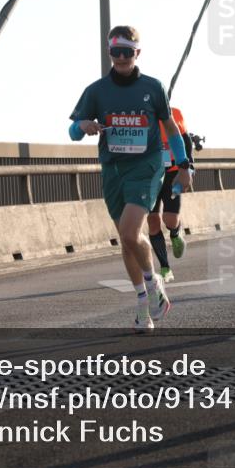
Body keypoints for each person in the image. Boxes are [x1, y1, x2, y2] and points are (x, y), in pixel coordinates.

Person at [69, 26, 192, 333]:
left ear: (138, 53)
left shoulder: (153, 87)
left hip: (147, 168)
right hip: (113, 170)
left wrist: (185, 164)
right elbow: (72, 131)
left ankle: (153, 284)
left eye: (128, 52)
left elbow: (171, 129)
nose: (122, 58)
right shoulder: (96, 91)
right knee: (126, 241)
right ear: (109, 53)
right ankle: (142, 303)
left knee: (129, 230)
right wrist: (82, 125)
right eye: (116, 52)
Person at [148, 106, 193, 283]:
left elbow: (186, 142)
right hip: (150, 175)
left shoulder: (174, 113)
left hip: (173, 173)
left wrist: (189, 168)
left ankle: (175, 232)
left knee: (169, 219)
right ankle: (165, 267)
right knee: (152, 221)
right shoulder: (141, 115)